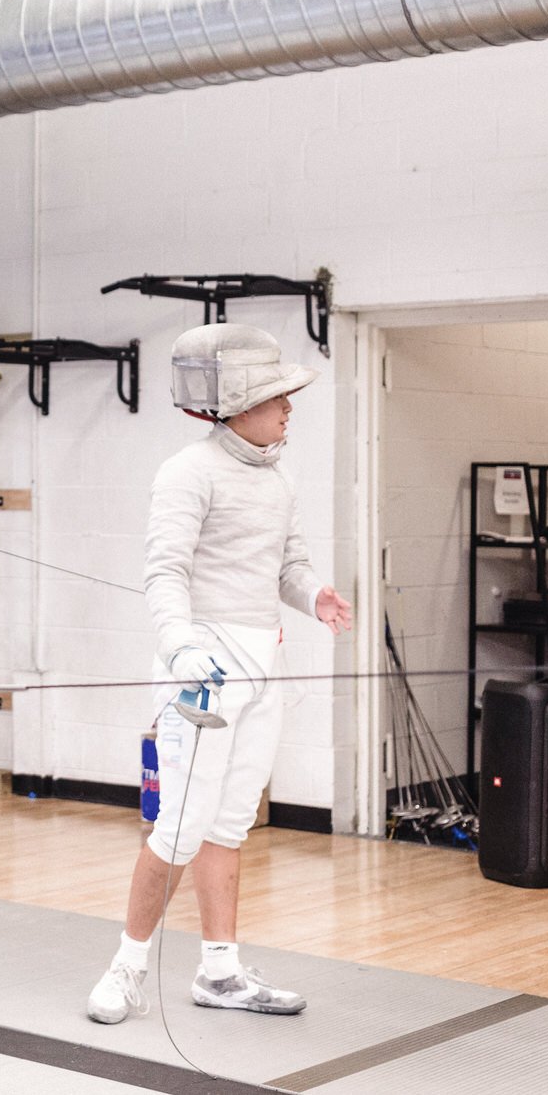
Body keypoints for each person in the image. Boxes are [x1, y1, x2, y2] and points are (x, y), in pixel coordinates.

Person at [87, 323, 352, 1025]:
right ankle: (126, 967)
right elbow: (164, 570)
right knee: (178, 825)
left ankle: (220, 969)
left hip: (264, 666)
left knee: (230, 824)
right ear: (238, 402)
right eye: (277, 399)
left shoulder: (279, 477)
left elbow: (287, 565)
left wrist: (314, 594)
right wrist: (180, 648)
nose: (289, 409)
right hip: (201, 671)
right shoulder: (188, 472)